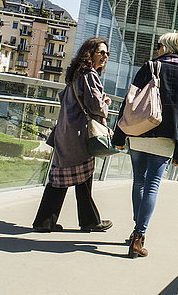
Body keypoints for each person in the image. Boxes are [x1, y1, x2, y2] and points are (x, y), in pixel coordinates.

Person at [113, 32, 178, 258]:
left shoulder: (148, 67)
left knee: (138, 182)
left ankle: (136, 231)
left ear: (166, 47)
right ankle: (139, 236)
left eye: (159, 45)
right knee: (152, 185)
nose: (157, 48)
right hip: (166, 139)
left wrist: (119, 136)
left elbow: (129, 101)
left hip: (139, 132)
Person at [32, 38, 113, 233]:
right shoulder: (89, 74)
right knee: (81, 175)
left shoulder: (75, 74)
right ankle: (88, 221)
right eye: (101, 52)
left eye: (107, 54)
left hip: (65, 131)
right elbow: (95, 104)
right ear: (90, 53)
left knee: (62, 176)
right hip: (79, 133)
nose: (105, 57)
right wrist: (105, 104)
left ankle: (45, 221)